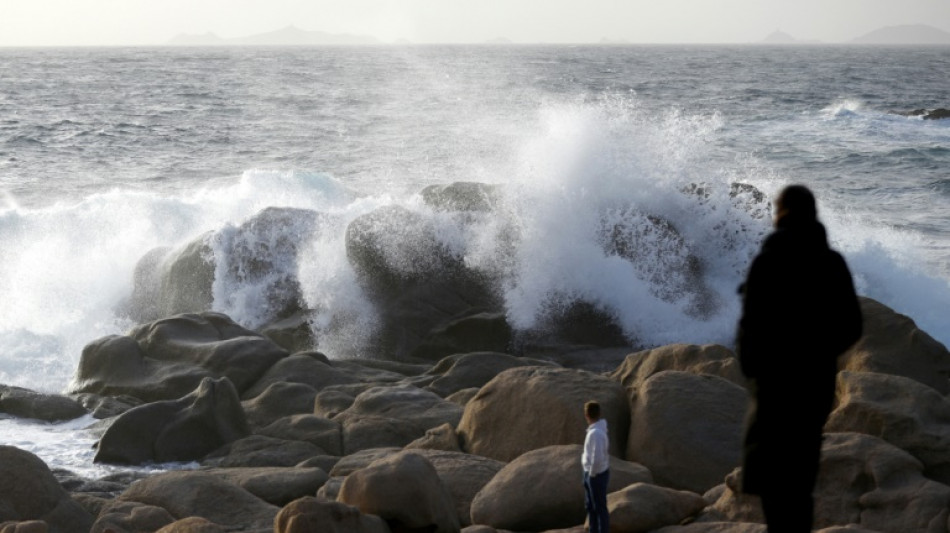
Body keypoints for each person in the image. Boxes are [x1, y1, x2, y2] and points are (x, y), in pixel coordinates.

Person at [736, 184, 863, 533]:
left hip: (773, 386)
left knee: (773, 481)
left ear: (780, 213)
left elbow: (749, 325)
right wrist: (819, 354)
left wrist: (753, 369)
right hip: (814, 386)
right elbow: (853, 325)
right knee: (801, 478)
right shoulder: (831, 261)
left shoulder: (767, 260)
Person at [582, 400, 610, 533]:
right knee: (591, 507)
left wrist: (591, 474)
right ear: (599, 413)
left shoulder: (596, 434)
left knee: (599, 508)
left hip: (596, 475)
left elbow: (597, 458)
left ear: (586, 415)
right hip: (593, 473)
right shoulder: (596, 431)